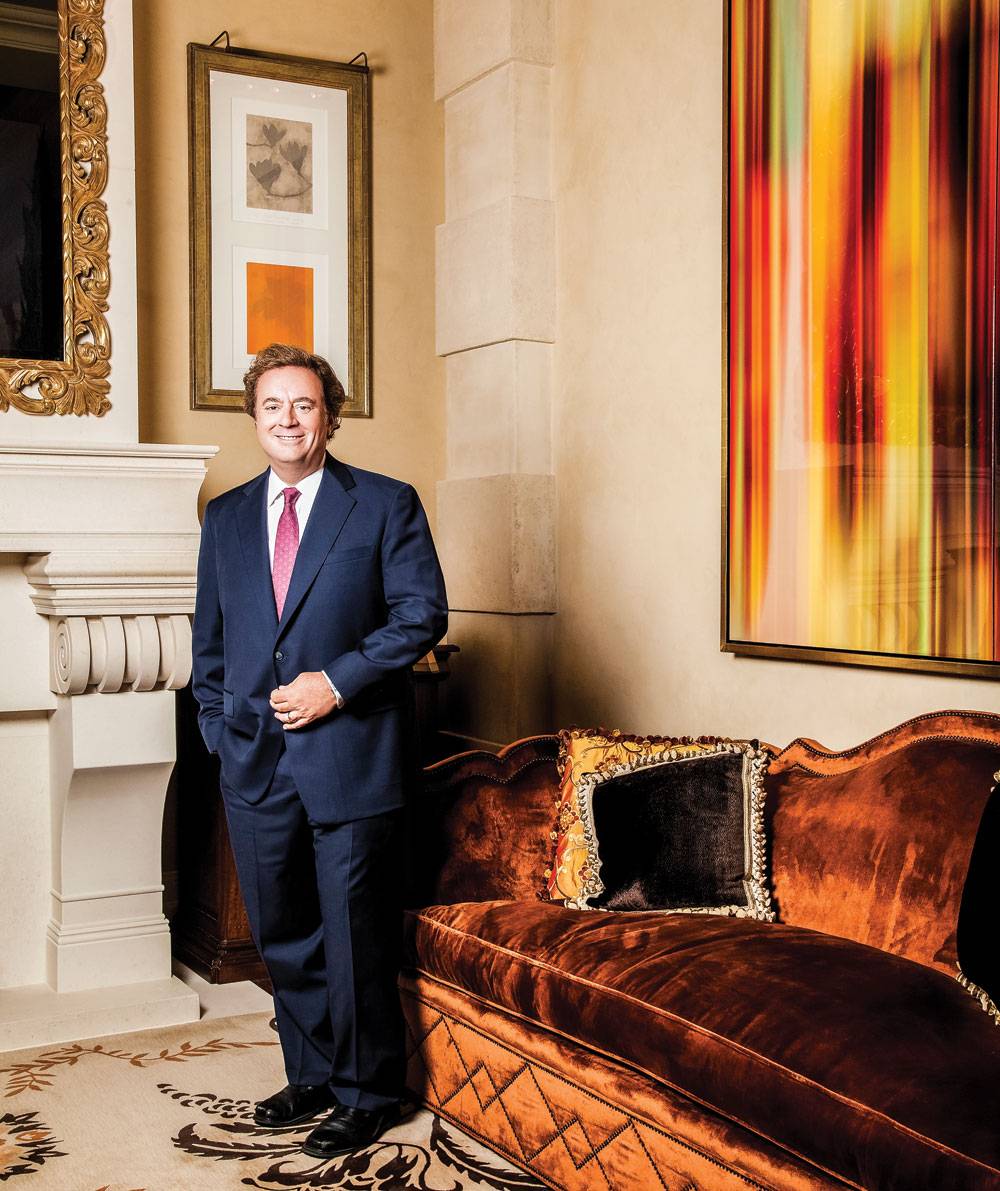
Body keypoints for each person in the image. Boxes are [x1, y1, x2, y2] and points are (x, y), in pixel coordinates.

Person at [191, 342, 448, 1158]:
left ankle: (368, 1092)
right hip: (253, 760)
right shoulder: (227, 516)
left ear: (329, 416)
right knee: (283, 931)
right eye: (273, 406)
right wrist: (218, 728)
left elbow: (421, 615)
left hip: (351, 754)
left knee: (353, 933)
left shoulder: (384, 503)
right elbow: (211, 641)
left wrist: (334, 683)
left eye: (304, 404)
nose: (288, 419)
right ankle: (310, 1074)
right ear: (253, 418)